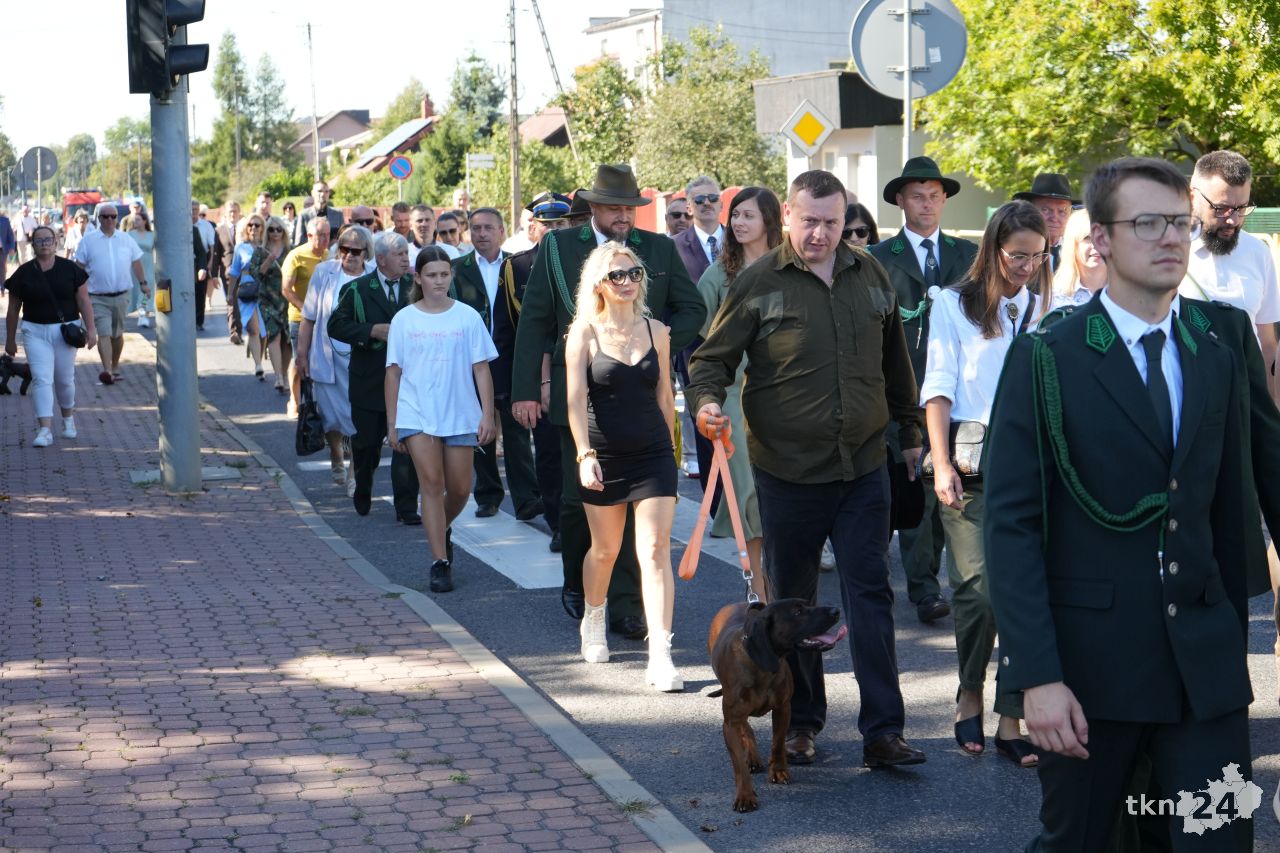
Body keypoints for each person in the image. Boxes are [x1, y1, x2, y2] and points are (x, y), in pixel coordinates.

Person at [985, 156, 1254, 851]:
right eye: (1148, 223)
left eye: (1180, 223)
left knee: (1216, 838)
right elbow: (1012, 526)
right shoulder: (1049, 356)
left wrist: (1233, 630)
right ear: (1099, 238)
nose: (1171, 239)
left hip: (1203, 670)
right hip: (1090, 672)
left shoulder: (1216, 347)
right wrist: (1035, 676)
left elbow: (1234, 503)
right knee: (1080, 841)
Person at [690, 169, 927, 769]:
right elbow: (711, 360)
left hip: (864, 467)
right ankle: (801, 724)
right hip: (788, 473)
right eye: (810, 221)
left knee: (871, 595)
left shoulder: (869, 274)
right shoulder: (758, 281)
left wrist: (911, 434)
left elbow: (896, 364)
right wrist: (708, 404)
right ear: (789, 217)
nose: (821, 233)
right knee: (794, 608)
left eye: (832, 222)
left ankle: (884, 732)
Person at [511, 163, 705, 642]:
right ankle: (580, 584)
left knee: (637, 510)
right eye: (615, 208)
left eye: (630, 208)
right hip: (578, 393)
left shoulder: (657, 247)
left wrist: (654, 343)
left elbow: (693, 309)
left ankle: (626, 606)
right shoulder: (558, 247)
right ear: (594, 207)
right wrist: (525, 390)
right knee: (578, 503)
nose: (624, 216)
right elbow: (534, 318)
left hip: (639, 395)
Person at [920, 200, 1050, 768]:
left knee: (1024, 592)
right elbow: (938, 385)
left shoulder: (1046, 306)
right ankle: (969, 689)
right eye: (1018, 255)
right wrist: (941, 462)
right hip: (970, 461)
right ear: (994, 249)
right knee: (977, 588)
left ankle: (1011, 716)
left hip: (1033, 463)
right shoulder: (953, 304)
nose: (1027, 267)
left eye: (1037, 256)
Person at [566, 242, 681, 691]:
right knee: (606, 550)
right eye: (617, 275)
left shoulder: (658, 331)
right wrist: (584, 455)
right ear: (599, 283)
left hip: (653, 453)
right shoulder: (584, 333)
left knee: (654, 550)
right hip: (603, 453)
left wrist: (672, 451)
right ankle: (594, 616)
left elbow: (665, 396)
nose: (628, 281)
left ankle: (661, 654)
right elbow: (575, 400)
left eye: (634, 273)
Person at [869, 156, 979, 625]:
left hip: (960, 392)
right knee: (917, 492)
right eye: (917, 196)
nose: (927, 204)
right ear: (900, 200)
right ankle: (924, 590)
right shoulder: (878, 257)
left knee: (962, 488)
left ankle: (968, 584)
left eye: (935, 196)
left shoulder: (967, 255)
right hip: (905, 392)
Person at [387, 245, 498, 593]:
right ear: (418, 278)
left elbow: (481, 369)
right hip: (416, 412)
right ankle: (439, 562)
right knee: (432, 484)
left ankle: (440, 528)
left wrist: (487, 414)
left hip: (460, 412)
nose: (439, 281)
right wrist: (393, 423)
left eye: (444, 274)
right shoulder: (404, 320)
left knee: (461, 489)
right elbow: (393, 373)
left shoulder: (467, 317)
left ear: (451, 276)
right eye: (431, 275)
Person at [694, 187, 783, 600]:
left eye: (749, 215)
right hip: (736, 399)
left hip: (788, 394)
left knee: (788, 493)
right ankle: (760, 593)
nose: (739, 223)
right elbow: (705, 341)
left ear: (770, 220)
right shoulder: (718, 276)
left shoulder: (791, 268)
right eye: (736, 215)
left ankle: (787, 588)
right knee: (748, 494)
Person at [450, 207, 543, 520]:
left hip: (510, 356)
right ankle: (488, 494)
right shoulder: (456, 269)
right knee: (481, 427)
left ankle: (526, 498)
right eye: (476, 228)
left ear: (502, 232)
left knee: (518, 426)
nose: (482, 234)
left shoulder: (517, 265)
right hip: (471, 359)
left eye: (488, 227)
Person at [327, 231, 421, 524]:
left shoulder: (416, 285)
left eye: (406, 253)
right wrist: (371, 331)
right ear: (380, 259)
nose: (405, 259)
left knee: (407, 444)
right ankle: (363, 483)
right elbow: (336, 326)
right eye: (399, 254)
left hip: (408, 381)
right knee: (367, 445)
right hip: (369, 381)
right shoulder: (357, 289)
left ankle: (406, 507)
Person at [497, 192, 571, 552]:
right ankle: (558, 524)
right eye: (547, 225)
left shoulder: (588, 261)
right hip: (541, 377)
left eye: (561, 223)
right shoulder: (517, 267)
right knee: (549, 451)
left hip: (581, 371)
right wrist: (511, 388)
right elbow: (507, 332)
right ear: (533, 229)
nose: (554, 231)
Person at [1178, 150, 1280, 405]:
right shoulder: (1167, 250)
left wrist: (1271, 411)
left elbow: (1267, 343)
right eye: (1221, 208)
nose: (1233, 220)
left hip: (1246, 402)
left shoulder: (1258, 253)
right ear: (1192, 197)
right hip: (1187, 400)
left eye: (1241, 208)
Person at [4, 225, 96, 446]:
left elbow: (84, 300)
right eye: (39, 240)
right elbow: (13, 309)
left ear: (56, 242)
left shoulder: (70, 269)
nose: (44, 244)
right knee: (41, 379)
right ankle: (44, 430)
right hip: (34, 331)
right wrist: (10, 339)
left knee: (64, 379)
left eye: (48, 239)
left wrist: (91, 330)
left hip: (65, 333)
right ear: (33, 244)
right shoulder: (23, 273)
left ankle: (68, 419)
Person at [297, 225, 372, 492]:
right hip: (326, 358)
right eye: (344, 249)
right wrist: (302, 355)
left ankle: (354, 475)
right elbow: (308, 317)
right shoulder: (324, 272)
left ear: (366, 253)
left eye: (355, 251)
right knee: (330, 417)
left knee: (359, 419)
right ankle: (336, 453)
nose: (349, 255)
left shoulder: (373, 276)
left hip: (362, 361)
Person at [673, 176, 726, 484]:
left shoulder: (742, 239)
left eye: (712, 198)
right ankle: (714, 497)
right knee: (705, 423)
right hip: (695, 352)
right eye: (699, 200)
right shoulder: (674, 247)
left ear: (721, 203)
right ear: (689, 207)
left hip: (743, 349)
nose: (707, 204)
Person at [74, 202, 148, 386]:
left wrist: (143, 283)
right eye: (105, 216)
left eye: (113, 216)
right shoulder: (88, 240)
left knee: (117, 334)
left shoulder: (125, 239)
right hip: (97, 297)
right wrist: (76, 291)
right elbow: (79, 267)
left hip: (122, 295)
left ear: (117, 219)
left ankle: (115, 367)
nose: (109, 220)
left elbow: (136, 262)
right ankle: (107, 370)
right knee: (104, 333)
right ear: (99, 218)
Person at [282, 218, 331, 414]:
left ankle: (316, 404)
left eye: (328, 235)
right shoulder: (296, 256)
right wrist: (306, 309)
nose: (326, 239)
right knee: (300, 360)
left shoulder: (330, 255)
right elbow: (286, 289)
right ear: (310, 236)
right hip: (300, 318)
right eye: (321, 235)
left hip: (324, 319)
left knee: (319, 361)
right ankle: (294, 400)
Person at [247, 216, 294, 394]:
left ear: (283, 231)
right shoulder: (260, 251)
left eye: (278, 229)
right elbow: (255, 275)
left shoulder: (290, 250)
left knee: (288, 340)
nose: (275, 233)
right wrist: (268, 260)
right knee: (274, 335)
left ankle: (284, 373)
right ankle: (279, 377)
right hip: (267, 299)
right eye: (272, 229)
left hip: (287, 299)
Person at [226, 214, 271, 380]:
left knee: (264, 332)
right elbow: (234, 272)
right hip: (247, 291)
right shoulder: (241, 248)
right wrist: (230, 293)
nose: (253, 228)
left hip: (265, 291)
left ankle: (258, 350)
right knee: (253, 329)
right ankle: (258, 365)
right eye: (250, 225)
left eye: (257, 225)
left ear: (262, 228)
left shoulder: (267, 247)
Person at [1013, 173, 1077, 271]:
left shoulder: (1079, 251)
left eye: (1062, 211)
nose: (1054, 218)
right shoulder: (1017, 249)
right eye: (1046, 210)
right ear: (1031, 210)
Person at [1047, 209, 1106, 310]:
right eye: (1087, 238)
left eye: (1102, 237)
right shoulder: (1053, 297)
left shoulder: (1129, 293)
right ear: (1073, 245)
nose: (1096, 245)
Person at [122, 212, 155, 328]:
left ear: (145, 221)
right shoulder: (130, 234)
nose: (135, 222)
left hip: (149, 265)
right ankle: (140, 313)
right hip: (134, 266)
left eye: (138, 219)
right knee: (136, 290)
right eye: (134, 220)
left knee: (147, 289)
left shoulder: (152, 235)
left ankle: (143, 314)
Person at [293, 180, 344, 247]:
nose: (323, 194)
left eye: (326, 191)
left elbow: (343, 240)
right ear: (312, 193)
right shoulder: (304, 215)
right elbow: (299, 243)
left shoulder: (338, 214)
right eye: (319, 191)